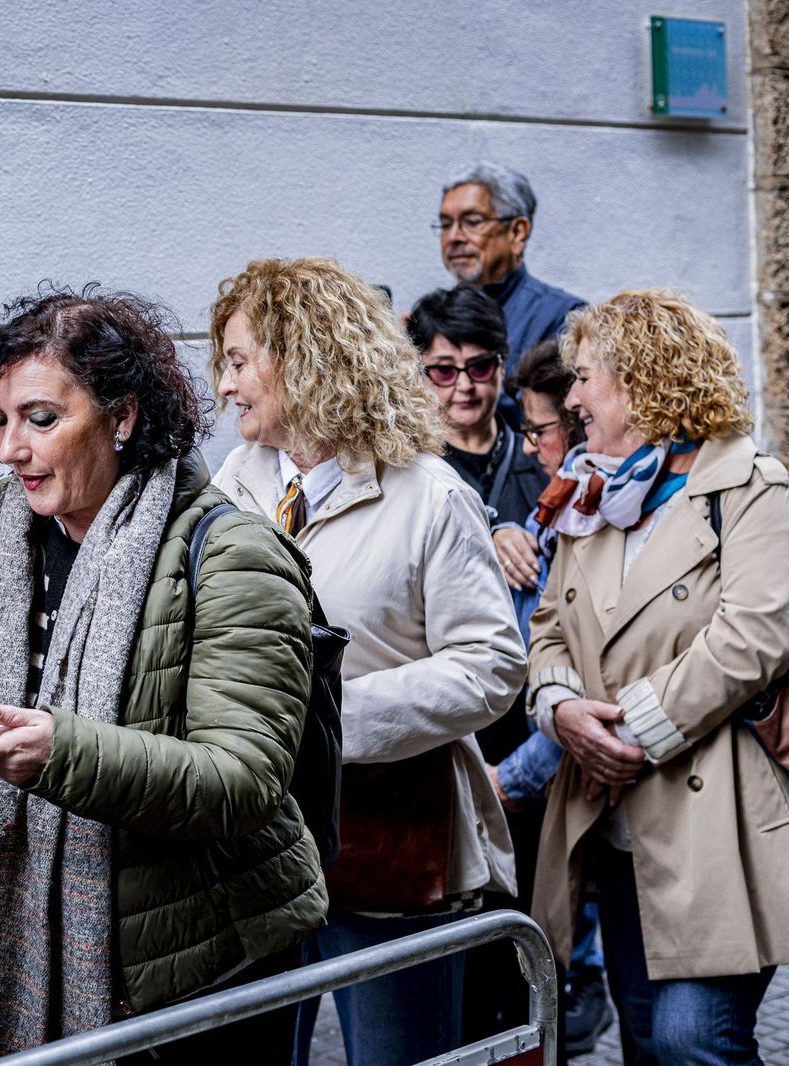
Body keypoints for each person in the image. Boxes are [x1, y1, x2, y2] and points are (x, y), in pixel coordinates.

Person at [0, 287, 326, 1064]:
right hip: (30, 933)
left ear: (122, 417)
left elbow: (244, 779)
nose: (9, 450)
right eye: (0, 421)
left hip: (201, 970)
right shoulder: (2, 526)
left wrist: (59, 753)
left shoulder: (234, 555)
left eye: (41, 419)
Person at [207, 257, 525, 1066]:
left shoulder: (430, 495)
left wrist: (324, 721)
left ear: (305, 359)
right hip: (254, 845)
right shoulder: (233, 484)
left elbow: (492, 664)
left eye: (239, 361)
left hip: (389, 841)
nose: (224, 385)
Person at [528, 289, 789, 1065]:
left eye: (584, 378)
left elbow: (752, 638)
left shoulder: (752, 489)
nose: (572, 400)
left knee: (692, 1039)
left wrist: (625, 735)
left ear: (643, 380)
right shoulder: (593, 494)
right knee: (646, 1039)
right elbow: (548, 629)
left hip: (714, 820)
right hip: (611, 824)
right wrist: (561, 710)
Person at [469, 338, 614, 1052]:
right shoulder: (553, 508)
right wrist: (499, 528)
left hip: (567, 781)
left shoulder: (602, 510)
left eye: (540, 430)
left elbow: (597, 679)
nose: (530, 448)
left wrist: (511, 778)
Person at [409, 285, 548, 528]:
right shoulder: (409, 469)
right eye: (445, 371)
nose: (465, 385)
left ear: (502, 367)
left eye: (480, 367)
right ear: (420, 374)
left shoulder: (543, 459)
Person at [436, 162, 586, 367]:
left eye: (472, 222)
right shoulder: (432, 316)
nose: (454, 237)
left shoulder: (563, 318)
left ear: (517, 232)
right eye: (445, 225)